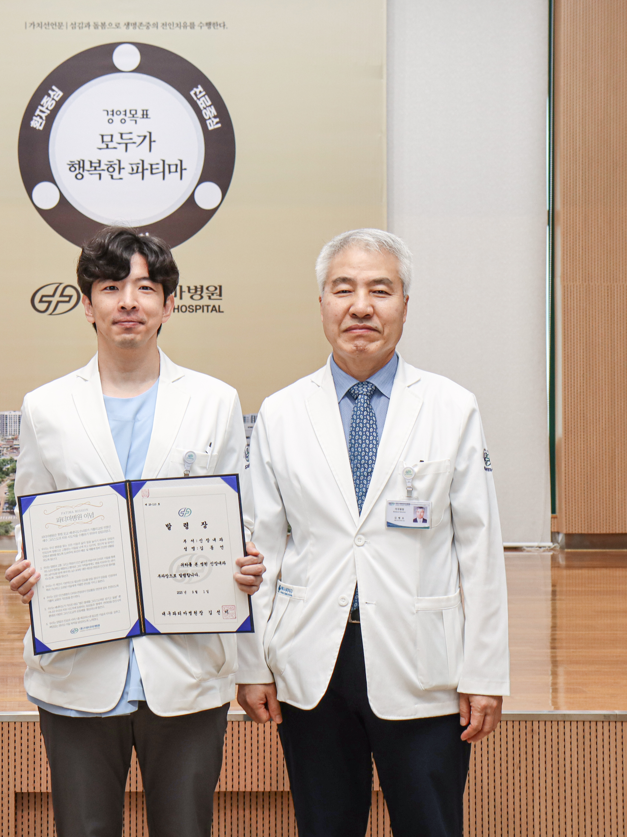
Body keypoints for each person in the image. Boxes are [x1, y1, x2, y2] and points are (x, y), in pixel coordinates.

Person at [236, 230, 510, 837]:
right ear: (322, 304)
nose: (361, 307)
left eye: (379, 291)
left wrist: (485, 673)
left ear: (405, 305)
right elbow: (262, 549)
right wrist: (251, 663)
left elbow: (480, 550)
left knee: (430, 825)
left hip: (425, 663)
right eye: (344, 290)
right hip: (312, 664)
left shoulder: (451, 407)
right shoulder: (281, 412)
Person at [4, 227, 265, 837]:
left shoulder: (214, 401)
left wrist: (246, 563)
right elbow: (30, 520)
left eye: (146, 288)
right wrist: (26, 566)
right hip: (79, 664)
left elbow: (241, 523)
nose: (128, 302)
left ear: (169, 305)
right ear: (87, 304)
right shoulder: (46, 406)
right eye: (110, 287)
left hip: (186, 667)